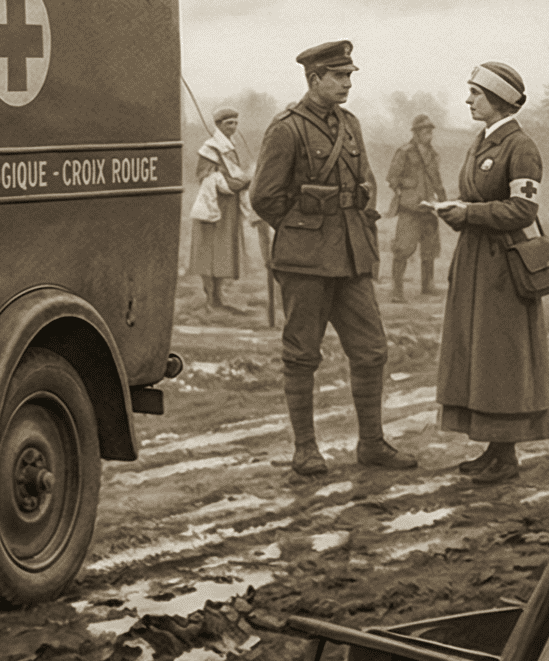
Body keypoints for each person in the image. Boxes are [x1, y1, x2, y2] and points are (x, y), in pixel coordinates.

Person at [251, 40, 417, 476]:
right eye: (338, 77)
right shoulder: (287, 128)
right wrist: (302, 229)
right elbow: (264, 197)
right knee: (302, 354)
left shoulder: (351, 124)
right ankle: (305, 449)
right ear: (314, 79)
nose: (346, 84)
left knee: (371, 350)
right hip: (305, 261)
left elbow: (365, 184)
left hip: (350, 256)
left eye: (349, 76)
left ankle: (372, 443)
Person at [432, 63, 549, 482]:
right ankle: (493, 449)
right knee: (478, 354)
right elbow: (478, 198)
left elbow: (524, 209)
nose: (468, 100)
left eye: (475, 94)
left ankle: (506, 456)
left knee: (500, 357)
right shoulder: (481, 142)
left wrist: (469, 212)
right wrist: (458, 213)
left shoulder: (521, 147)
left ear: (498, 100)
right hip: (474, 261)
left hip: (503, 265)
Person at [189, 107, 251, 314]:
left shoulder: (230, 148)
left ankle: (219, 297)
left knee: (224, 252)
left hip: (229, 208)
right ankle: (210, 299)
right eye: (228, 124)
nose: (233, 127)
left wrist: (239, 182)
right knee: (209, 252)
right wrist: (228, 182)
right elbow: (203, 176)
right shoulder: (210, 148)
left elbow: (234, 173)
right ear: (218, 125)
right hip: (212, 207)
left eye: (235, 123)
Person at [386, 114, 445, 302]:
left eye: (430, 130)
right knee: (403, 249)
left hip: (428, 208)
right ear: (416, 132)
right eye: (425, 130)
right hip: (410, 209)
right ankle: (397, 291)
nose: (429, 134)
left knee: (430, 249)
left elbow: (436, 179)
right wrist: (407, 188)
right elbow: (392, 178)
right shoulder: (405, 152)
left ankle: (427, 286)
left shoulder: (433, 154)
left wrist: (442, 200)